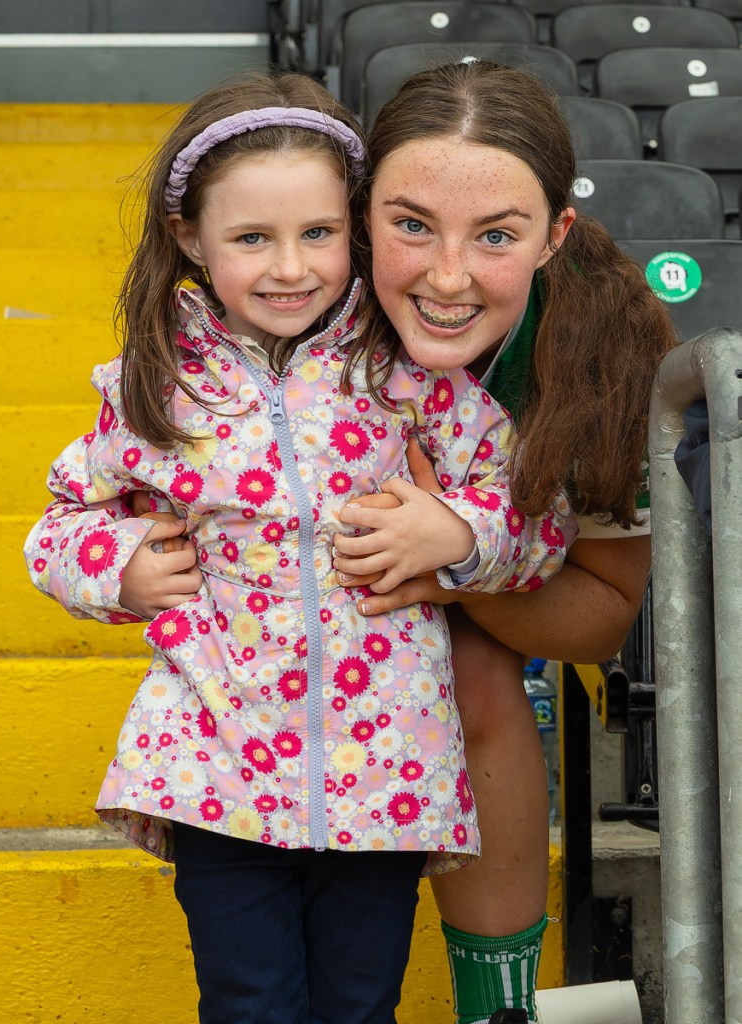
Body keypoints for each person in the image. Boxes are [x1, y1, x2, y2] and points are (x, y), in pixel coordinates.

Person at [23, 70, 576, 1024]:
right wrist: (119, 565)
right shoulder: (158, 387)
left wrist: (456, 534)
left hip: (387, 771)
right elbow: (58, 525)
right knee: (251, 1002)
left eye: (317, 233)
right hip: (218, 764)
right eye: (252, 238)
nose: (290, 267)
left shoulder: (405, 374)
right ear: (189, 237)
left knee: (360, 1005)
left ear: (351, 230)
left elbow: (539, 519)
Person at [329, 60, 679, 1024]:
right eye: (410, 225)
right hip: (296, 626)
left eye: (496, 236)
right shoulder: (301, 291)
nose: (448, 276)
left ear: (554, 235)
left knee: (473, 663)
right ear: (359, 218)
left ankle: (500, 1008)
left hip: (493, 624)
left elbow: (604, 615)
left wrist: (454, 564)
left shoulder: (605, 344)